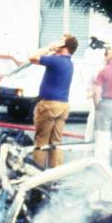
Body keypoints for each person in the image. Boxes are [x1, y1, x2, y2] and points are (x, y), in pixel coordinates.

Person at [30, 34, 78, 168]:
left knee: (41, 141)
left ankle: (37, 175)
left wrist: (49, 47)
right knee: (56, 142)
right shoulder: (69, 63)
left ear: (64, 46)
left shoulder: (57, 61)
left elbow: (32, 57)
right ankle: (54, 177)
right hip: (63, 105)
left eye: (60, 41)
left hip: (49, 105)